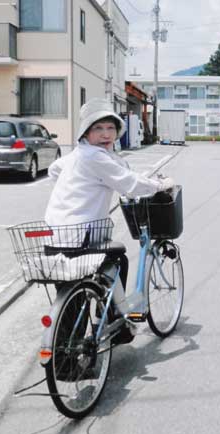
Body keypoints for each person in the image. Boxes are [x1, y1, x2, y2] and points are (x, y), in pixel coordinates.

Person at [45, 98, 174, 343]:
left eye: (111, 128)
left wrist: (77, 188)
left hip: (55, 234)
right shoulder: (96, 158)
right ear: (86, 132)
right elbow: (131, 184)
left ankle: (66, 360)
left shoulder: (78, 155)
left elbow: (54, 171)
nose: (106, 134)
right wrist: (160, 185)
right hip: (80, 237)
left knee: (71, 294)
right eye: (98, 128)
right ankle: (116, 325)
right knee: (118, 259)